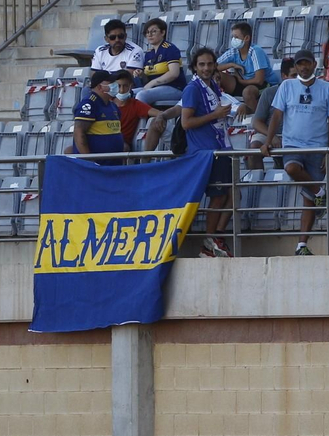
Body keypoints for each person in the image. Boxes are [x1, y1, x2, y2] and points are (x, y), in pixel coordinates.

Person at [267, 50, 329, 256]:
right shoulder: (287, 86)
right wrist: (268, 140)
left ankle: (301, 244)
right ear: (296, 66)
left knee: (308, 200)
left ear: (314, 64)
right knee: (291, 168)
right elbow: (277, 115)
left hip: (318, 147)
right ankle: (321, 192)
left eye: (307, 63)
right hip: (292, 145)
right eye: (300, 64)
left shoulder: (327, 88)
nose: (304, 67)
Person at [179, 46, 236, 258]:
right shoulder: (193, 89)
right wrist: (215, 115)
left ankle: (214, 238)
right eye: (202, 64)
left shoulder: (212, 85)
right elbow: (186, 122)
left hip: (220, 148)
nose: (206, 68)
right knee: (218, 196)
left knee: (229, 194)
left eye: (210, 64)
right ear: (195, 66)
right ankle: (210, 240)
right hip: (205, 152)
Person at [217, 20, 273, 112]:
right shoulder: (234, 51)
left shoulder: (255, 51)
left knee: (247, 93)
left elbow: (259, 80)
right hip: (243, 82)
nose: (233, 40)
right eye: (232, 37)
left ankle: (257, 118)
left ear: (246, 38)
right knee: (216, 75)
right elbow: (214, 66)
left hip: (263, 85)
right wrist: (232, 65)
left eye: (236, 37)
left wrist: (241, 81)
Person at [72, 70, 125, 160]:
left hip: (113, 165)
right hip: (95, 167)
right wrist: (89, 162)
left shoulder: (113, 105)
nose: (115, 85)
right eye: (111, 83)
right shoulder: (89, 104)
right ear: (100, 87)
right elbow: (79, 133)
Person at [114, 71, 170, 154]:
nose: (122, 90)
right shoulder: (107, 103)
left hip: (123, 144)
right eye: (118, 86)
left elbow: (159, 113)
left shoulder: (136, 105)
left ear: (131, 86)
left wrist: (160, 117)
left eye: (125, 86)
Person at [135, 17, 186, 108]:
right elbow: (147, 80)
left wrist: (152, 83)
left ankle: (141, 122)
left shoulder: (170, 49)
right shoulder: (149, 53)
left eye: (153, 31)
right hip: (154, 89)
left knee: (142, 95)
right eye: (147, 32)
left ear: (163, 32)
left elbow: (174, 73)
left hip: (174, 88)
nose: (149, 35)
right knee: (128, 94)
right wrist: (142, 75)